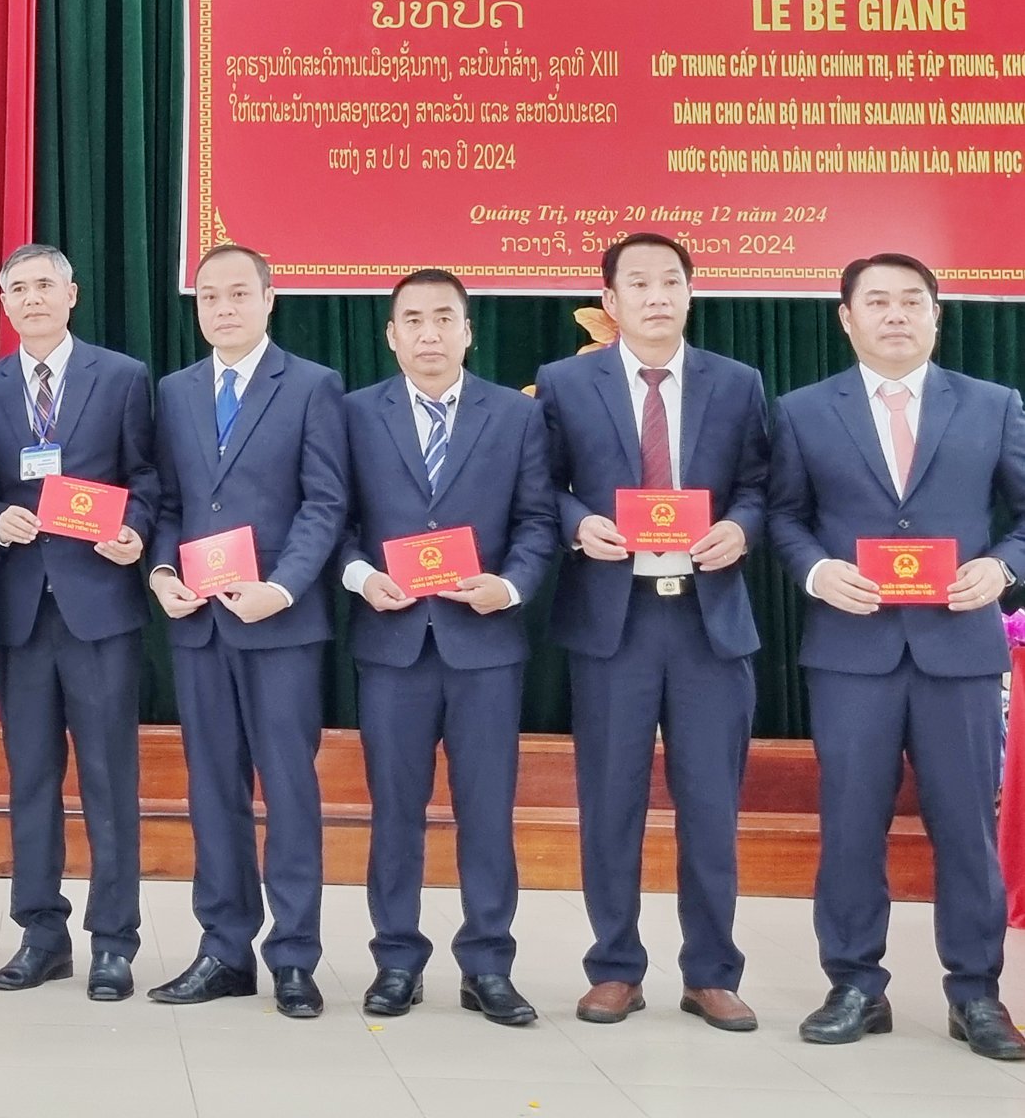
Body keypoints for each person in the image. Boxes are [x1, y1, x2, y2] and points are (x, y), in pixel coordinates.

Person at [769, 253, 1025, 1060]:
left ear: (938, 315)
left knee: (965, 828)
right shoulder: (804, 411)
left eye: (912, 300)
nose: (895, 315)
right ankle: (853, 984)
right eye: (875, 302)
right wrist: (816, 568)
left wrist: (1003, 565)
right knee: (850, 824)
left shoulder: (994, 404)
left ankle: (977, 994)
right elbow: (782, 516)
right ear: (845, 318)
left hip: (959, 651)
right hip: (852, 651)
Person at [534, 234, 768, 1032]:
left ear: (691, 293)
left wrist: (740, 527)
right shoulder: (567, 383)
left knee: (711, 802)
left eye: (671, 281)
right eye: (639, 283)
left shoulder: (738, 384)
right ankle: (615, 968)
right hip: (614, 621)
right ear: (611, 301)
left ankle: (711, 972)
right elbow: (541, 486)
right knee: (610, 801)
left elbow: (765, 487)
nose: (657, 295)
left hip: (708, 623)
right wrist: (578, 523)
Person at [340, 269, 557, 1026]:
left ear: (469, 331)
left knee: (487, 811)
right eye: (413, 320)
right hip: (392, 641)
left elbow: (537, 520)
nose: (429, 334)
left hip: (485, 645)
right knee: (395, 811)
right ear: (391, 334)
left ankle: (488, 964)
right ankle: (397, 960)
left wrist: (512, 585)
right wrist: (363, 577)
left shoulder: (515, 416)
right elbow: (335, 519)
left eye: (444, 319)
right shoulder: (354, 414)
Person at [144, 243, 348, 1016]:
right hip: (199, 629)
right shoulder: (178, 390)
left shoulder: (312, 386)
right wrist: (161, 575)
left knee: (289, 792)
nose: (223, 309)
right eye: (209, 298)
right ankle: (223, 950)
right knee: (212, 793)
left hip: (279, 628)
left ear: (270, 299)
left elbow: (325, 503)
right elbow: (168, 504)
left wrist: (284, 587)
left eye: (238, 295)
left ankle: (294, 956)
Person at [0, 243, 156, 1001]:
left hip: (99, 605)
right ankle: (42, 934)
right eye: (18, 288)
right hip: (21, 609)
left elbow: (146, 479)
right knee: (31, 779)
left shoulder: (122, 376)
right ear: (4, 303)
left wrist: (134, 530)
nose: (33, 298)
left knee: (110, 780)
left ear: (71, 295)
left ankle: (114, 941)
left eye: (46, 285)